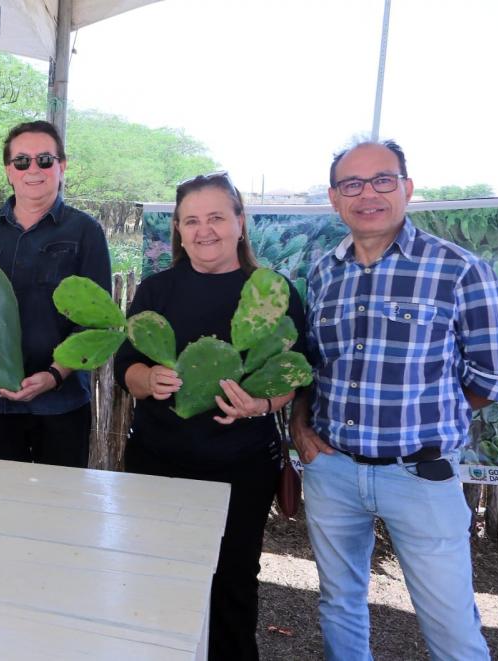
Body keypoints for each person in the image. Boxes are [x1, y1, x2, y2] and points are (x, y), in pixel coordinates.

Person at [290, 140, 498, 660]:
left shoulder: (459, 269)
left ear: (406, 188)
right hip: (333, 470)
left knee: (450, 625)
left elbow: (489, 377)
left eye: (382, 180)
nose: (368, 194)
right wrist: (300, 427)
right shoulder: (323, 274)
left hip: (420, 476)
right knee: (340, 604)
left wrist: (426, 423)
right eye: (352, 185)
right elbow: (311, 367)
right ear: (335, 199)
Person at [114, 171, 306, 661]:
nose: (205, 230)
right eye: (191, 220)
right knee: (152, 573)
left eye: (217, 217)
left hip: (240, 465)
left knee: (233, 579)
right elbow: (125, 367)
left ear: (240, 223)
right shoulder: (156, 291)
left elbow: (292, 371)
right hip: (156, 460)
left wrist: (261, 404)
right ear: (178, 230)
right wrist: (148, 378)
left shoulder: (271, 291)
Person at [0, 120, 111, 467]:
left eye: (44, 160)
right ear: (9, 171)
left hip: (61, 402)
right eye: (22, 161)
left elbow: (98, 323)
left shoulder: (86, 232)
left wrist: (53, 375)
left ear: (62, 166)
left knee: (59, 504)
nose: (33, 169)